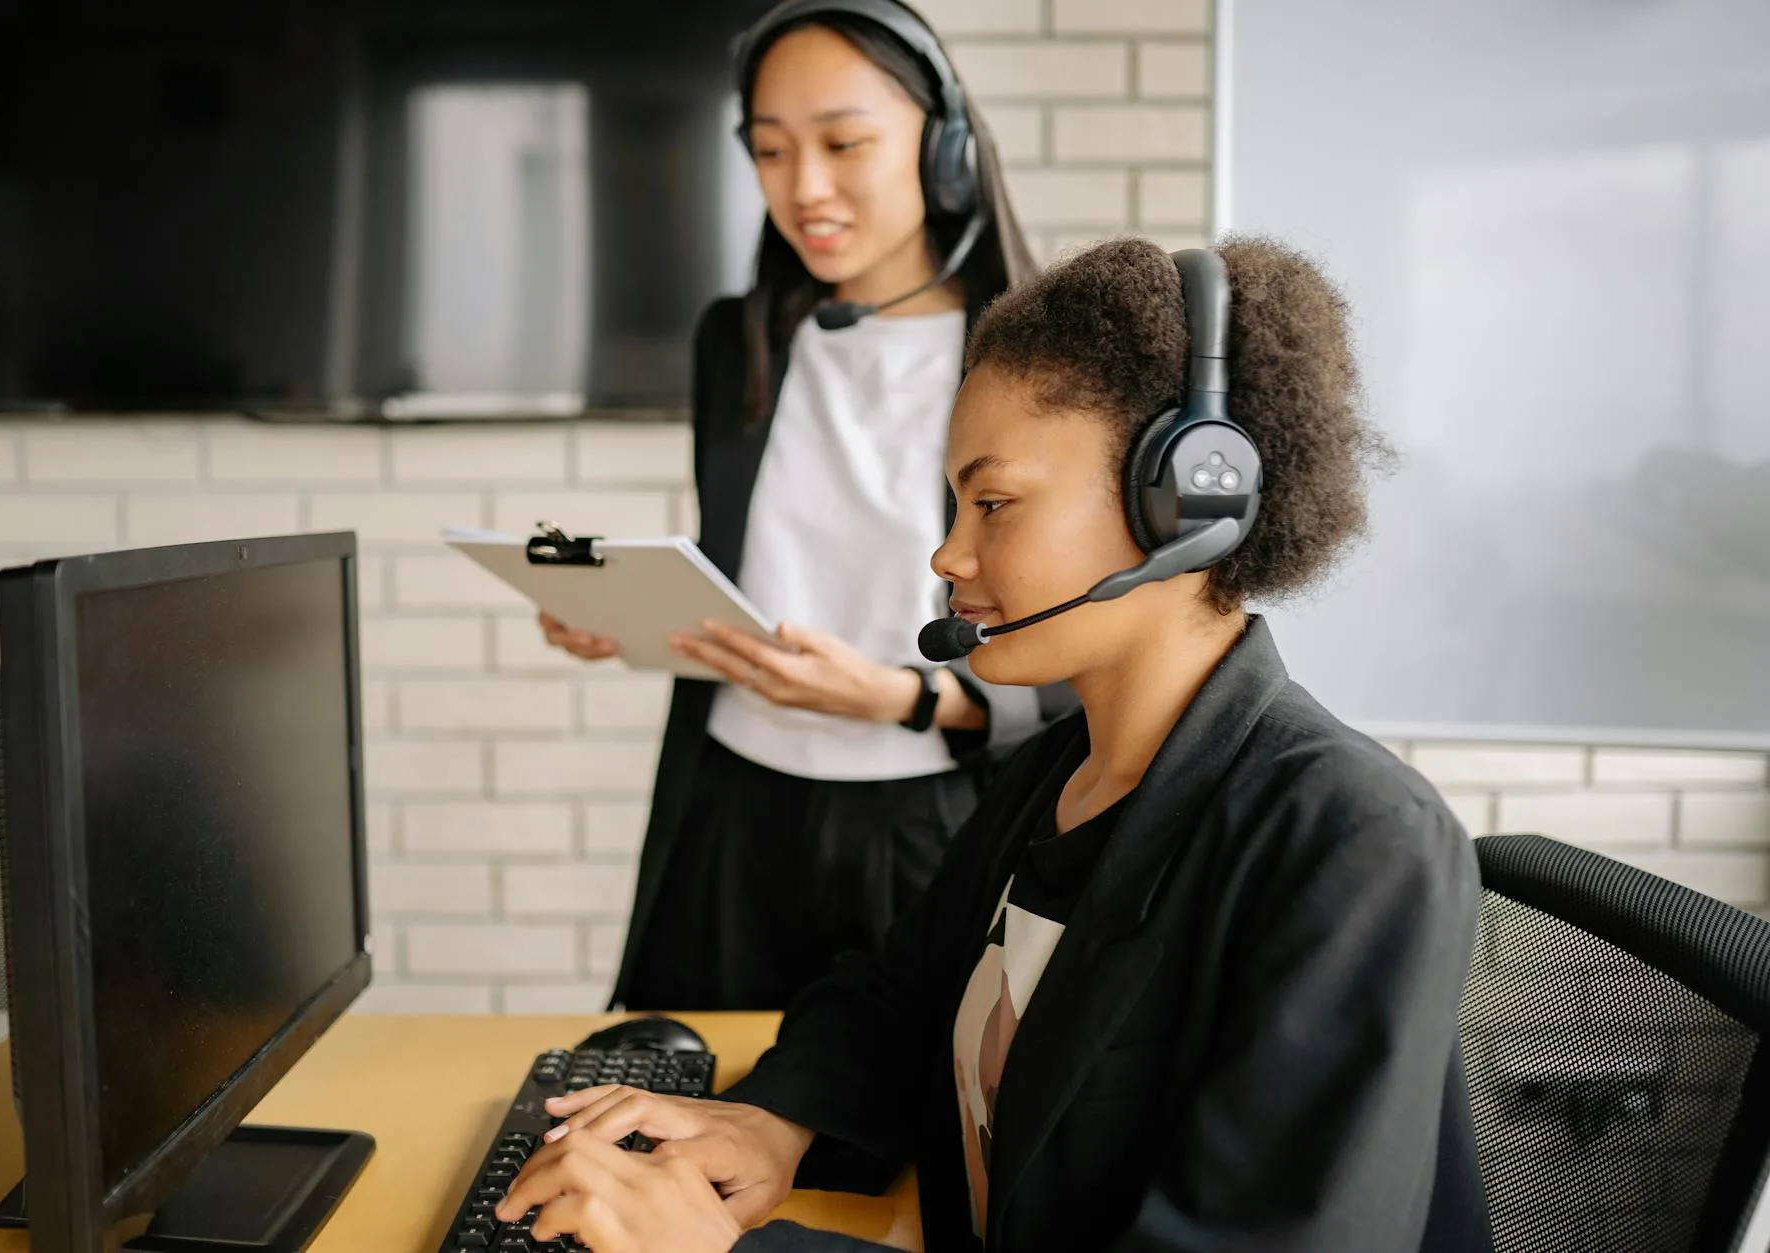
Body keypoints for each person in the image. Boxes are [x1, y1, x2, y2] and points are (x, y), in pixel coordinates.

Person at [495, 235, 1491, 1253]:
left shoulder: (1352, 844)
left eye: (994, 503)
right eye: (954, 503)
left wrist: (726, 1252)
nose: (947, 552)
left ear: (1187, 504)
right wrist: (774, 1117)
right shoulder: (1057, 772)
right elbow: (898, 993)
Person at [539, 0, 1073, 1013]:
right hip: (733, 808)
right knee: (687, 1097)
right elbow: (765, 558)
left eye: (843, 143)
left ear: (946, 147)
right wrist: (638, 610)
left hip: (932, 819)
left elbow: (1083, 648)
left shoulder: (1036, 360)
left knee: (916, 1131)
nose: (805, 189)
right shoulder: (736, 339)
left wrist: (902, 698)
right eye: (770, 151)